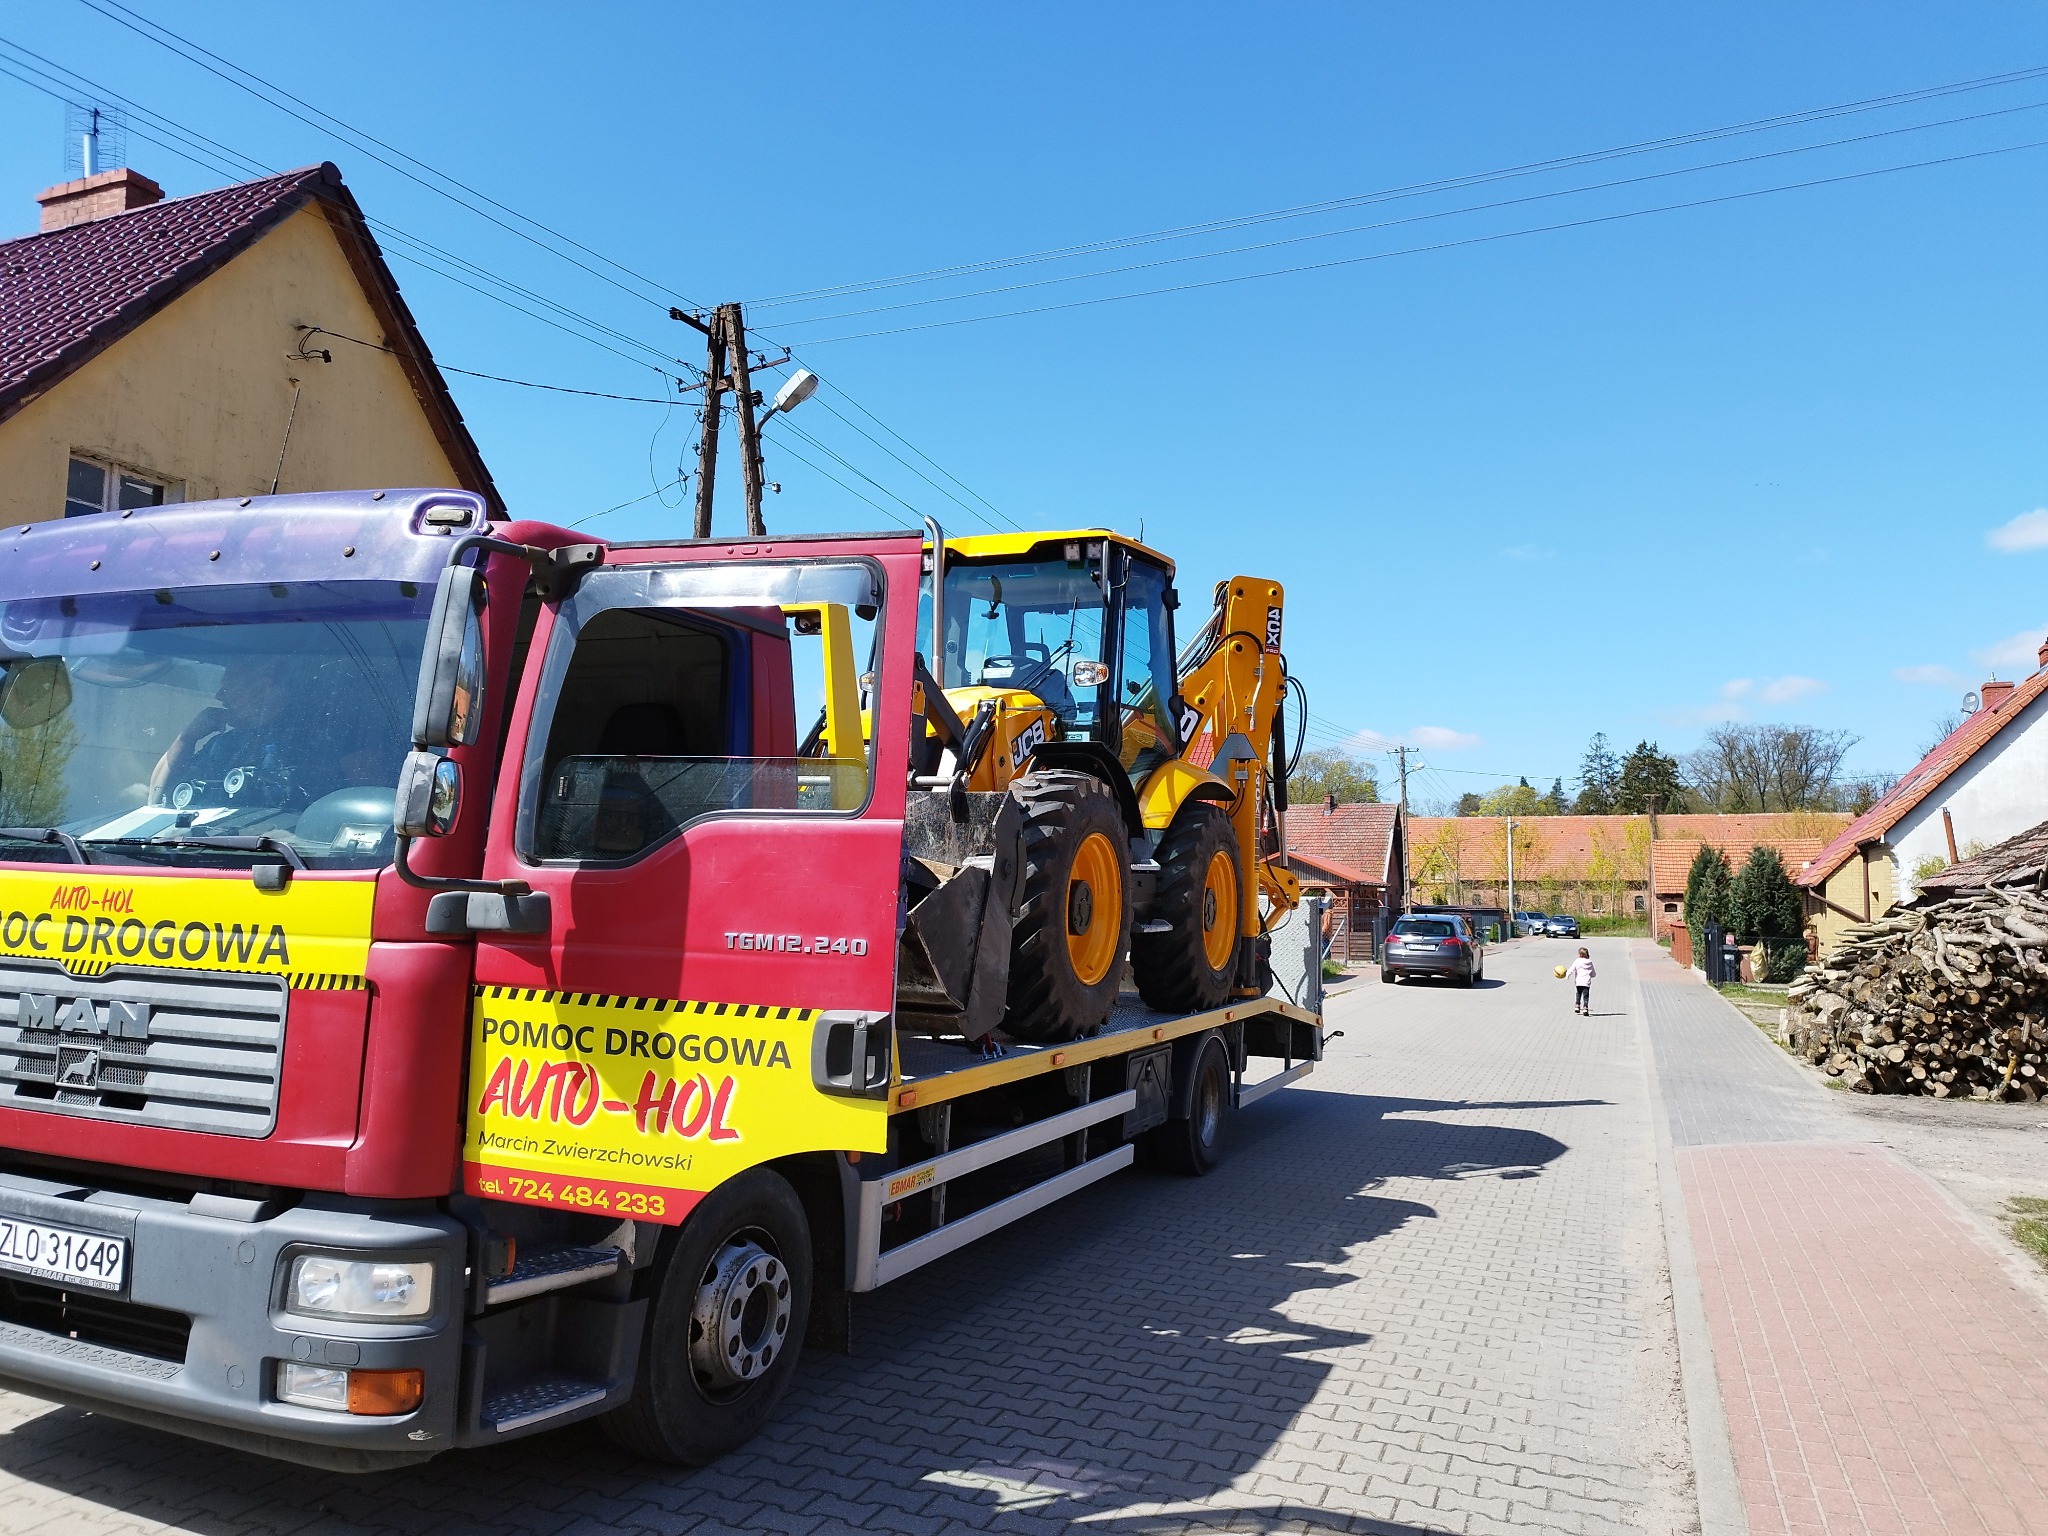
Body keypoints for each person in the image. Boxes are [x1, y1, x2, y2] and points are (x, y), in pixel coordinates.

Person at [1567, 946, 1596, 1015]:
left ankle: (1577, 1006)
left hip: (1579, 981)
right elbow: (1593, 973)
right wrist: (1592, 975)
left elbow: (1572, 969)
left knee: (1578, 993)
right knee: (1586, 995)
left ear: (1579, 954)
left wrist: (1567, 974)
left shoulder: (1577, 961)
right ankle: (1585, 1008)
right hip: (1586, 982)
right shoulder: (1590, 962)